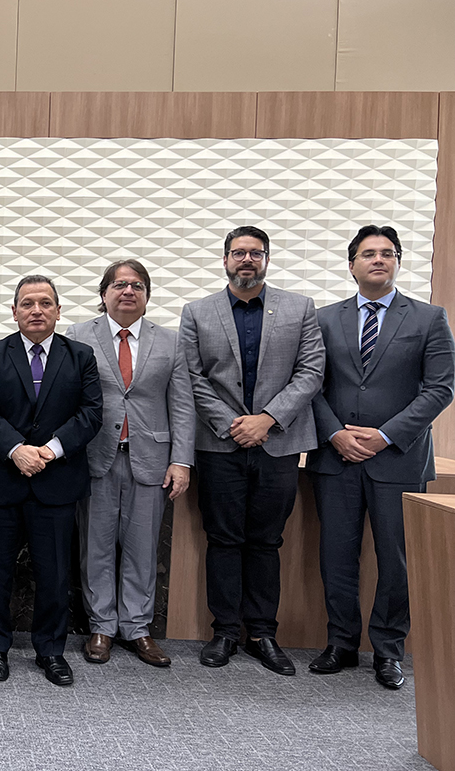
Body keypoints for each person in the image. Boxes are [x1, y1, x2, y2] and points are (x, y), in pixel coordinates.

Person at [306, 225, 454, 689]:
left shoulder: (430, 318)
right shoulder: (323, 319)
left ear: (397, 262)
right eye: (368, 253)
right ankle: (341, 643)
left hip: (398, 459)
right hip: (336, 458)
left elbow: (440, 388)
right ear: (351, 265)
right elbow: (309, 384)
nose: (378, 260)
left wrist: (385, 436)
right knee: (337, 555)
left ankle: (389, 650)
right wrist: (333, 434)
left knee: (396, 560)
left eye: (387, 253)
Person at [179, 225, 324, 676]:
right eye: (238, 253)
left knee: (266, 541)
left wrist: (268, 419)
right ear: (224, 260)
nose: (247, 260)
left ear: (266, 259)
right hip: (219, 446)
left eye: (255, 253)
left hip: (279, 444)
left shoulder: (300, 308)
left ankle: (262, 633)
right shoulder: (197, 312)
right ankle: (224, 632)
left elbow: (311, 370)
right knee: (222, 539)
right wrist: (231, 424)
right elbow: (192, 376)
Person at [0, 275, 103, 686]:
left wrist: (50, 450)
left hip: (56, 481)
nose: (37, 310)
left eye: (45, 303)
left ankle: (51, 651)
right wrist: (17, 449)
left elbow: (91, 413)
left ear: (59, 311)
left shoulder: (80, 356)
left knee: (54, 573)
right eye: (27, 303)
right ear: (14, 312)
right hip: (1, 480)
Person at [65, 260, 194, 668]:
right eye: (119, 284)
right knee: (96, 547)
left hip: (151, 460)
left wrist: (182, 461)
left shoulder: (170, 342)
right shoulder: (78, 336)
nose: (128, 291)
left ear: (147, 295)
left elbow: (184, 406)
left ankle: (138, 628)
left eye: (137, 285)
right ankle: (101, 626)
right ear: (104, 294)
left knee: (142, 549)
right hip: (94, 458)